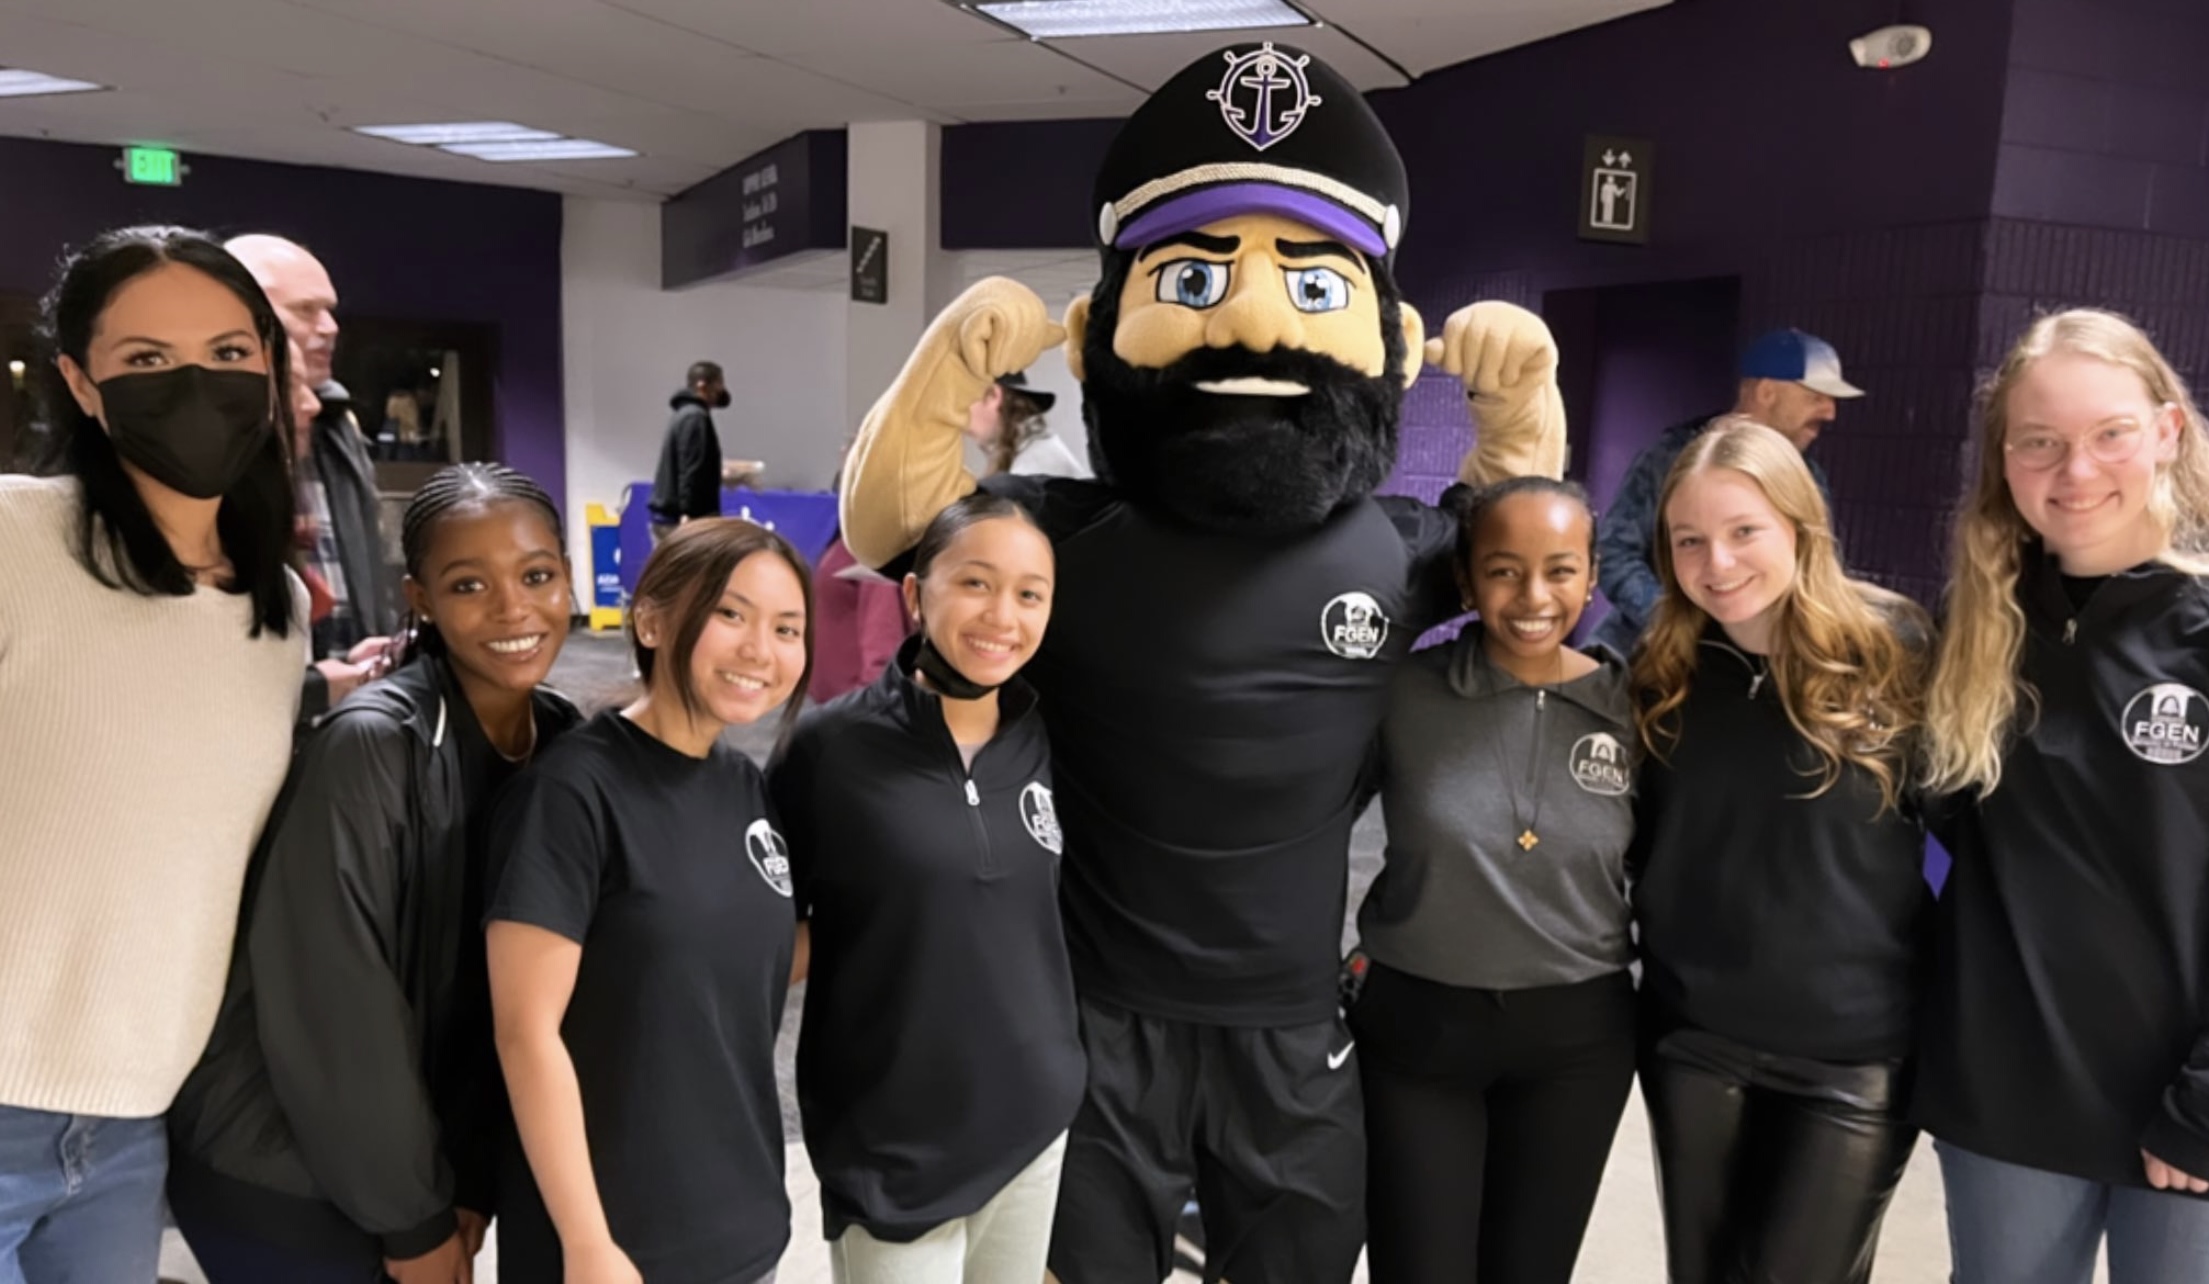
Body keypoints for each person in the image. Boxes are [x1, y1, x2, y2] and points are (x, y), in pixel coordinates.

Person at [838, 41, 1566, 1283]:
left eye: (1312, 284)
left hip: (1291, 1020)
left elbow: (1516, 538)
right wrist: (948, 363)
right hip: (1093, 1012)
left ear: (1391, 341)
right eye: (1191, 275)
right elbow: (898, 529)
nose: (1254, 320)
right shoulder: (1060, 538)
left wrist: (1522, 397)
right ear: (1095, 335)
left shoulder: (1393, 550)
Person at [166, 464, 579, 1284]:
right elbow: (336, 1006)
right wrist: (413, 1218)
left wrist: (464, 1173)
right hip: (285, 1169)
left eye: (536, 576)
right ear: (419, 598)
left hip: (406, 1161)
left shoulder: (560, 738)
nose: (513, 609)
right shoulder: (374, 747)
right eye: (468, 585)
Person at [0, 224, 305, 1282]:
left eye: (228, 353)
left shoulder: (277, 610)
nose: (195, 386)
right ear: (82, 386)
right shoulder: (15, 540)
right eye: (146, 359)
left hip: (133, 1129)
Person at [1915, 308, 2209, 1283]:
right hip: (2008, 1096)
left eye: (2108, 434)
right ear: (2003, 459)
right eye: (2038, 442)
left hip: (2184, 1101)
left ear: (2166, 430)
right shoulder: (1975, 627)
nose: (2074, 471)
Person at [1627, 417, 1930, 1283]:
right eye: (1689, 540)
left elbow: (1979, 833)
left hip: (1853, 1054)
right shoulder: (1661, 670)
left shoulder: (1894, 650)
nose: (1716, 563)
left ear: (1801, 528)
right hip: (1694, 1041)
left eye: (1743, 531)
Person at [488, 518, 812, 1284]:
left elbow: (736, 960)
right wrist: (587, 1243)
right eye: (730, 614)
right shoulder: (573, 792)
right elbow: (525, 1033)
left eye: (786, 629)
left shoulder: (742, 785)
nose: (760, 650)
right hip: (618, 1245)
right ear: (651, 621)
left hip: (741, 1221)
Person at [772, 492, 1081, 1283]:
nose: (1002, 617)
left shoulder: (1047, 738)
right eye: (975, 583)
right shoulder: (831, 749)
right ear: (914, 594)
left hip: (1029, 1125)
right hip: (890, 1146)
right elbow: (766, 932)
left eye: (1029, 594)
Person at [1348, 477, 1636, 1284]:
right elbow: (1310, 825)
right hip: (1416, 1035)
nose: (1533, 597)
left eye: (1560, 570)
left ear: (1591, 575)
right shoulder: (1404, 692)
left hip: (1575, 1043)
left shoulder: (1633, 706)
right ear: (1466, 580)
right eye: (1503, 570)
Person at [1592, 328, 1862, 655]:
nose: (1830, 412)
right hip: (1647, 655)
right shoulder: (1673, 458)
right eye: (1815, 397)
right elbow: (1614, 554)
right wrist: (1677, 625)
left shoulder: (1809, 475)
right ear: (1766, 392)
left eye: (1745, 531)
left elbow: (1816, 568)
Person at [226, 233, 398, 716]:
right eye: (306, 310)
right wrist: (310, 683)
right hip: (260, 702)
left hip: (347, 690)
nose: (330, 327)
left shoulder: (340, 422)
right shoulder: (209, 443)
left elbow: (362, 553)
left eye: (330, 310)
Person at [648, 360, 730, 540]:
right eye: (718, 384)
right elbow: (692, 468)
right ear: (702, 386)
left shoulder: (684, 414)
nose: (721, 391)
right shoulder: (695, 417)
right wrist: (689, 514)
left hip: (671, 516)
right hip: (681, 519)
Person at [966, 371, 1087, 478]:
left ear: (993, 396)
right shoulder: (1036, 456)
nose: (959, 418)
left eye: (960, 401)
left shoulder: (1033, 470)